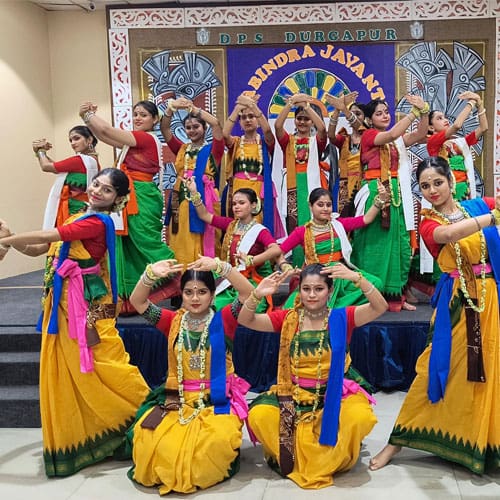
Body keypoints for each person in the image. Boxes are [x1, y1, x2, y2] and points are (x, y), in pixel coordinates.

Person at [0, 168, 150, 477]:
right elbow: (40, 249)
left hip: (83, 306)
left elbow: (49, 236)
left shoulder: (97, 223)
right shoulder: (78, 216)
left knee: (103, 368)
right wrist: (9, 238)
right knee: (71, 373)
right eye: (97, 184)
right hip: (63, 303)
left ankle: (141, 420)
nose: (97, 191)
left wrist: (8, 240)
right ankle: (87, 433)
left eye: (107, 190)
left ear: (117, 199)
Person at [369, 156, 500, 474]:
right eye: (425, 186)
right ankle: (397, 441)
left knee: (492, 369)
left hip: (492, 298)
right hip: (460, 304)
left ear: (451, 182)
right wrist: (492, 218)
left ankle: (484, 441)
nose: (432, 190)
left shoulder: (478, 206)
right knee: (435, 370)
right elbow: (449, 236)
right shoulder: (429, 223)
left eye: (438, 182)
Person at [237, 263, 388, 488]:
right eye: (306, 289)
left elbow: (379, 307)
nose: (312, 295)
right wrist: (257, 294)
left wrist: (358, 278)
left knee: (359, 417)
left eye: (319, 289)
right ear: (299, 290)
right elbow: (245, 320)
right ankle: (297, 457)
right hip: (294, 393)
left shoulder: (341, 318)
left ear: (330, 290)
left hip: (333, 393)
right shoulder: (289, 319)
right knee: (260, 415)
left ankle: (330, 459)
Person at [126, 256, 254, 495]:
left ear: (212, 295)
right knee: (148, 437)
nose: (195, 298)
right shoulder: (172, 322)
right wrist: (150, 275)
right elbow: (137, 301)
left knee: (212, 442)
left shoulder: (225, 320)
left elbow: (248, 294)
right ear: (181, 295)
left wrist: (220, 267)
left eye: (202, 292)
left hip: (216, 402)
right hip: (178, 400)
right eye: (188, 292)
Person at [79, 100, 177, 314]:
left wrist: (87, 115)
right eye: (135, 114)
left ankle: (182, 278)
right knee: (128, 245)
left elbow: (106, 130)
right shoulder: (133, 140)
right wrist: (87, 119)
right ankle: (130, 298)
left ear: (155, 119)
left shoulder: (145, 138)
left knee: (146, 241)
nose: (138, 118)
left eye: (143, 115)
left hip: (141, 195)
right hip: (131, 193)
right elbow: (104, 136)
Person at [350, 95, 430, 312]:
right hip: (376, 192)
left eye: (386, 112)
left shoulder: (396, 142)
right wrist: (413, 113)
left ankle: (395, 296)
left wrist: (424, 112)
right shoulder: (369, 135)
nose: (385, 116)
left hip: (396, 193)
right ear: (369, 120)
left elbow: (420, 134)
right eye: (379, 113)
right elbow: (393, 133)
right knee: (374, 244)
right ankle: (371, 295)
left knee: (397, 242)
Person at [278, 187, 386, 309]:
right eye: (320, 205)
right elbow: (279, 252)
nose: (325, 209)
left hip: (340, 273)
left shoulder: (338, 225)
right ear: (311, 206)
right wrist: (285, 266)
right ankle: (332, 307)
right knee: (289, 308)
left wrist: (380, 200)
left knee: (376, 284)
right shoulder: (302, 231)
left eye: (328, 205)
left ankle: (333, 308)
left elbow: (366, 219)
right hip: (316, 276)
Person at [185, 177, 281, 310]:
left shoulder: (260, 231)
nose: (236, 207)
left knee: (232, 307)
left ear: (253, 205)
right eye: (234, 203)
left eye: (241, 203)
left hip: (248, 280)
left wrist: (252, 260)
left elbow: (275, 249)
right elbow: (204, 215)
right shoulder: (230, 224)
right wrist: (194, 192)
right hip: (227, 275)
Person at [161, 96, 224, 265]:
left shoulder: (214, 150)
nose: (192, 130)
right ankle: (182, 273)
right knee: (180, 236)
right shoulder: (182, 149)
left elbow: (216, 124)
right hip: (180, 198)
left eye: (196, 126)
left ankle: (206, 273)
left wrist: (195, 110)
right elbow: (165, 129)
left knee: (206, 236)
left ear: (204, 127)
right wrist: (171, 108)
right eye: (188, 128)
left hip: (205, 199)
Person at [274, 93, 328, 266]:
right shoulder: (287, 141)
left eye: (306, 119)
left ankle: (316, 262)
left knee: (314, 221)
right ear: (294, 120)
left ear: (311, 121)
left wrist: (306, 106)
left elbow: (322, 129)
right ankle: (297, 265)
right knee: (295, 224)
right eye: (299, 119)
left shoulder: (316, 141)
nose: (303, 122)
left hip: (312, 184)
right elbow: (277, 125)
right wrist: (290, 104)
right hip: (293, 186)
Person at [223, 92, 283, 237]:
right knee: (238, 227)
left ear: (258, 120)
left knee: (258, 227)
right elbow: (224, 134)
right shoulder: (236, 142)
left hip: (259, 191)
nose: (248, 120)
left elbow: (267, 130)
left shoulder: (265, 142)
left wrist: (252, 106)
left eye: (251, 116)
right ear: (240, 122)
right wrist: (238, 108)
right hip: (237, 189)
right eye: (243, 118)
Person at [33, 125, 100, 229]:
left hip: (72, 212)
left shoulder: (79, 160)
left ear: (89, 139)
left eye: (76, 138)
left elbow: (46, 166)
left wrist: (40, 151)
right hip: (83, 209)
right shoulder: (92, 161)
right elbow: (57, 167)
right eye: (70, 140)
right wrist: (41, 154)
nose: (73, 143)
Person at [427, 91, 488, 201]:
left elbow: (483, 128)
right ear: (431, 127)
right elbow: (457, 125)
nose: (445, 120)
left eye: (444, 117)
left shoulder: (459, 143)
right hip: (446, 194)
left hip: (465, 192)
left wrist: (479, 103)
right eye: (439, 118)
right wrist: (471, 102)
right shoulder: (433, 143)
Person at [326, 93, 366, 217]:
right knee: (342, 219)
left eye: (358, 114)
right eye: (351, 113)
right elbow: (331, 135)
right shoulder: (344, 139)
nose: (353, 116)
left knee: (361, 217)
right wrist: (338, 109)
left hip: (363, 183)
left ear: (366, 118)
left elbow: (360, 127)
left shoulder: (369, 137)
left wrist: (344, 108)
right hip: (343, 184)